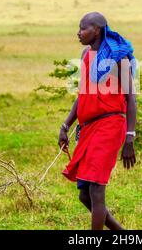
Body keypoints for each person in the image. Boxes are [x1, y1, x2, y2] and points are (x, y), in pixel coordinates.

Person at [59, 12, 137, 230]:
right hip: (89, 128)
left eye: (83, 28)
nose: (78, 32)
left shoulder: (117, 57)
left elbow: (131, 98)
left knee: (96, 189)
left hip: (110, 126)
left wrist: (129, 137)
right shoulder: (85, 54)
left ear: (97, 30)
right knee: (84, 194)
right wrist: (65, 125)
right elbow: (82, 96)